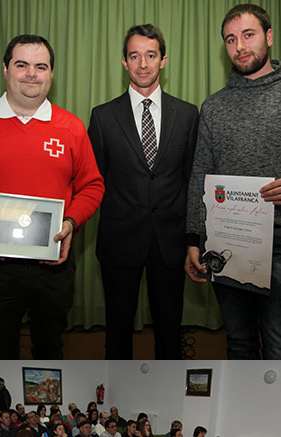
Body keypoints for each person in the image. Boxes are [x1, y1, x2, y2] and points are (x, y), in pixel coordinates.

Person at [0, 34, 104, 359]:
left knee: (51, 349)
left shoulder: (71, 127)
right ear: (5, 69)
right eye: (22, 64)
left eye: (41, 66)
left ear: (51, 74)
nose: (31, 74)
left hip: (53, 265)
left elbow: (92, 186)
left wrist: (71, 221)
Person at [185, 3, 281, 359]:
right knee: (238, 344)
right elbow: (199, 177)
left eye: (248, 35)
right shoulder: (213, 106)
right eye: (230, 39)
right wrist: (193, 238)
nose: (239, 46)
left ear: (269, 37)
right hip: (224, 245)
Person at [88, 24, 198, 359]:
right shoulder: (103, 117)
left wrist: (195, 238)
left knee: (169, 331)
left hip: (170, 239)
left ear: (163, 60)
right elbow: (93, 181)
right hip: (119, 238)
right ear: (124, 62)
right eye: (135, 56)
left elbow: (192, 180)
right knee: (118, 330)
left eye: (150, 55)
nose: (143, 64)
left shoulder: (188, 114)